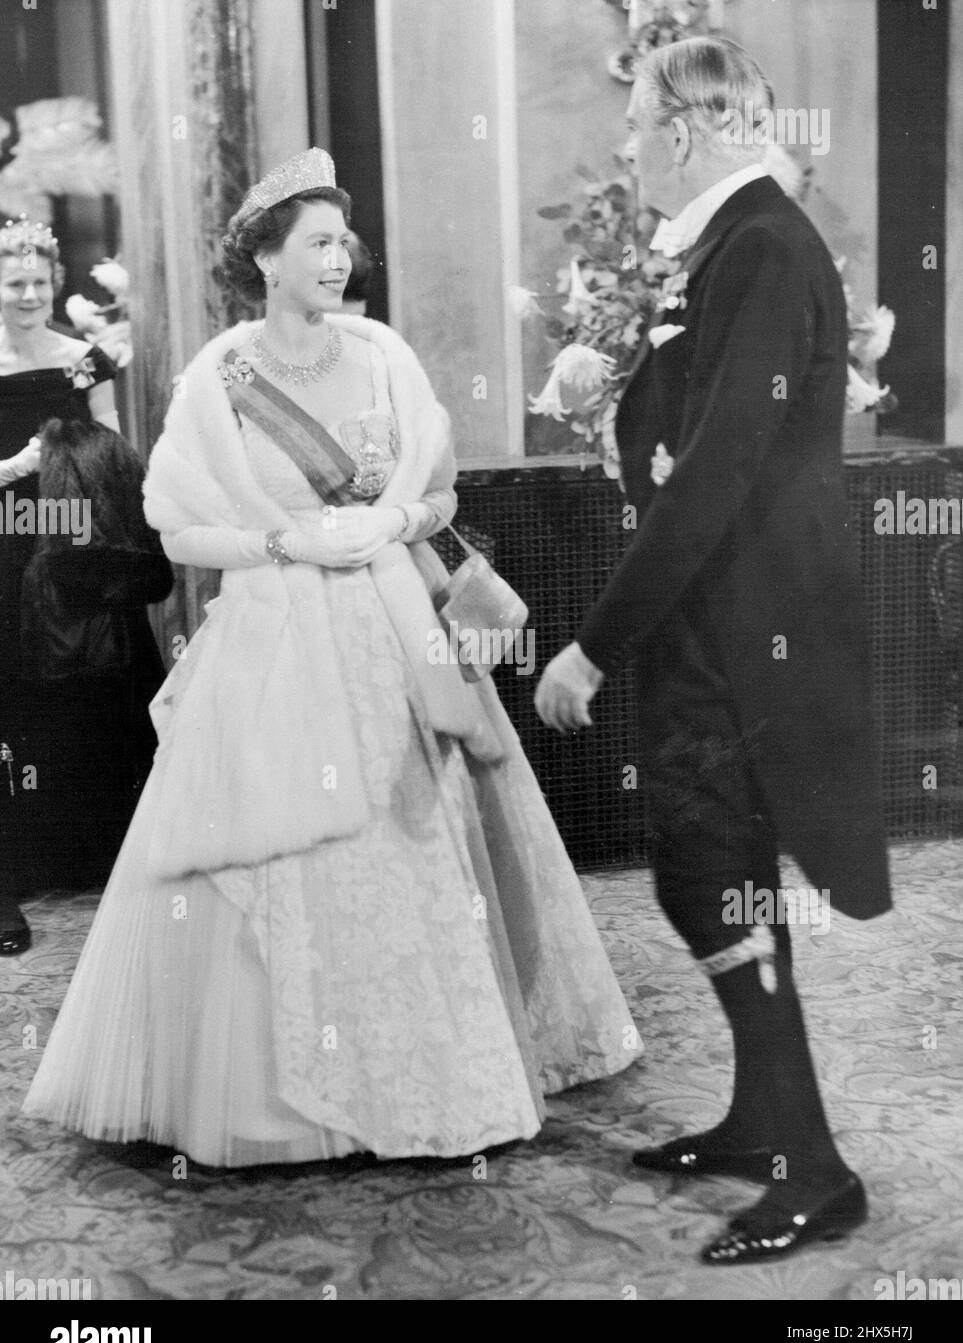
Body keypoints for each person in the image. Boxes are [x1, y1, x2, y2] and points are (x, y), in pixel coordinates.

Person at [22, 149, 639, 1167]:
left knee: (421, 845)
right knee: (273, 848)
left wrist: (397, 515)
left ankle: (441, 1071)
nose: (338, 259)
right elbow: (176, 531)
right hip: (273, 636)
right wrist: (278, 542)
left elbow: (439, 498)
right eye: (317, 242)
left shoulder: (385, 355)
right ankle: (281, 1098)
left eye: (343, 243)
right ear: (265, 259)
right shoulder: (217, 381)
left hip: (397, 632)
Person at [536, 38, 892, 1264]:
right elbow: (695, 438)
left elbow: (725, 466)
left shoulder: (760, 247)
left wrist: (590, 645)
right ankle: (763, 1121)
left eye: (638, 123)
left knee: (711, 874)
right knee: (715, 866)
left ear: (682, 132)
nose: (630, 143)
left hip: (750, 636)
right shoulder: (740, 244)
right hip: (725, 628)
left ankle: (813, 1169)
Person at [0, 217, 171, 956]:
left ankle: (117, 859)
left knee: (102, 688)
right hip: (7, 540)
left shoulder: (82, 360)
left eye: (41, 280)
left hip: (75, 544)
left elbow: (116, 452)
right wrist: (20, 466)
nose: (31, 293)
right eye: (15, 282)